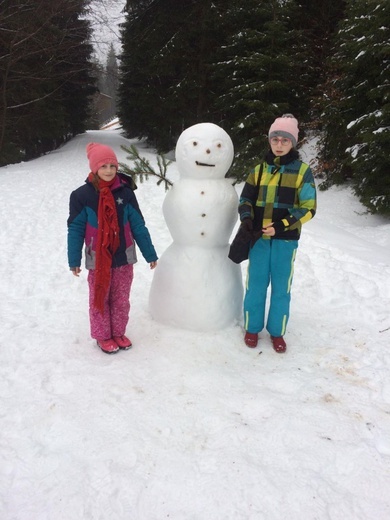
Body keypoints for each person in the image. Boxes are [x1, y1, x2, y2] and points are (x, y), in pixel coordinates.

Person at [67, 142, 158, 354]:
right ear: (94, 168)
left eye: (112, 166)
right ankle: (103, 335)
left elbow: (137, 225)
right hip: (98, 258)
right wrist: (74, 260)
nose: (109, 171)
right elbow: (75, 229)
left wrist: (149, 253)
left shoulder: (125, 194)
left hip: (124, 257)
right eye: (103, 166)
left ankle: (117, 332)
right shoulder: (82, 196)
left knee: (120, 298)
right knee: (100, 298)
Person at [238, 114, 316, 352]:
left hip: (285, 240)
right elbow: (245, 199)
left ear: (293, 142)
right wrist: (247, 219)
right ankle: (252, 328)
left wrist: (280, 226)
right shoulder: (259, 170)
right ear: (269, 141)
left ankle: (277, 332)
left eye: (285, 140)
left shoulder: (302, 171)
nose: (279, 145)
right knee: (256, 285)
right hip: (259, 239)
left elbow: (309, 208)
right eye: (275, 139)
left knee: (282, 288)